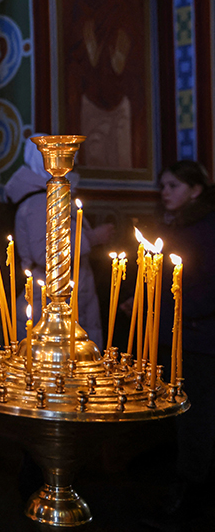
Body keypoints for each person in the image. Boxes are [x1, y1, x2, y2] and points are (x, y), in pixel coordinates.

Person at [4, 135, 114, 344]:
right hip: (48, 302)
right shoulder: (39, 202)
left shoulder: (47, 196)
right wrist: (92, 238)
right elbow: (43, 254)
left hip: (67, 296)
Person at [152, 160, 215, 523]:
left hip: (198, 339)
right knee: (182, 416)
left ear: (195, 189)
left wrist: (178, 310)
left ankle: (188, 498)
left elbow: (206, 287)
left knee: (196, 419)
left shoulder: (205, 227)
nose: (165, 192)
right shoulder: (178, 224)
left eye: (173, 185)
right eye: (162, 185)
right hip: (178, 333)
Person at [65, 0, 144, 169]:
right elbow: (75, 58)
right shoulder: (84, 3)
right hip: (91, 99)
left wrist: (121, 62)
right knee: (95, 156)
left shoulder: (124, 7)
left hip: (120, 101)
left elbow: (134, 61)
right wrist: (88, 52)